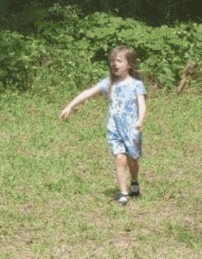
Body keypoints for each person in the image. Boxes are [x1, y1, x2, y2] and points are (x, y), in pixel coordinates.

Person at [59, 46, 146, 206]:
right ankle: (123, 193)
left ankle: (134, 181)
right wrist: (70, 106)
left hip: (132, 130)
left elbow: (142, 104)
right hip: (114, 129)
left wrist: (140, 120)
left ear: (129, 65)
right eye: (112, 61)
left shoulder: (136, 85)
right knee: (120, 159)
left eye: (119, 61)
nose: (114, 64)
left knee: (132, 161)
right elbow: (88, 92)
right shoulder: (108, 84)